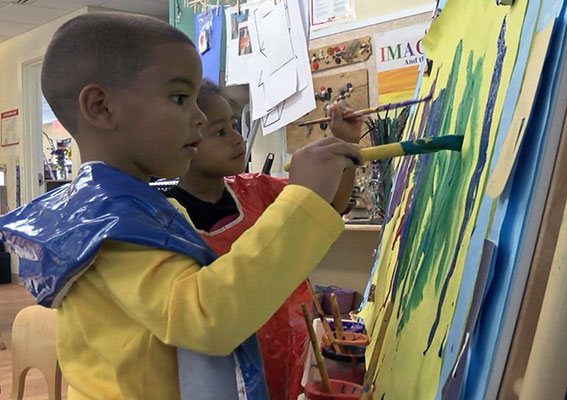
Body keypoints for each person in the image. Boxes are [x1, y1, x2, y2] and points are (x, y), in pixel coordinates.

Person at [0, 12, 361, 400]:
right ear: (102, 108)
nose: (200, 116)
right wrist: (303, 200)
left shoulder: (137, 207)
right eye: (179, 98)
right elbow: (207, 318)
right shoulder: (106, 224)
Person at [165, 80, 362, 400]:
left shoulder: (258, 188)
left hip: (289, 345)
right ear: (185, 142)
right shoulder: (167, 219)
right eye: (220, 132)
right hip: (227, 365)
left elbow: (330, 206)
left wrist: (343, 146)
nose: (237, 138)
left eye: (233, 125)